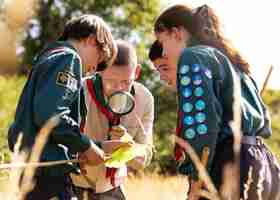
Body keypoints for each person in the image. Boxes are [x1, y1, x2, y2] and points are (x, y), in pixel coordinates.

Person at [151, 4, 280, 200]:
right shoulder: (233, 61)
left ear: (176, 33)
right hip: (263, 161)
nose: (165, 52)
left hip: (229, 165)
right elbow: (265, 123)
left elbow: (202, 126)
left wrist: (197, 180)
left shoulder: (192, 55)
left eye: (162, 41)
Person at [7, 14, 127, 200]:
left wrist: (98, 146)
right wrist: (86, 146)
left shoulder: (49, 58)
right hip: (47, 176)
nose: (93, 70)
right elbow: (50, 115)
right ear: (91, 40)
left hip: (34, 170)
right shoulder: (69, 59)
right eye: (98, 61)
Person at [71, 40, 154, 200]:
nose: (118, 89)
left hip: (111, 187)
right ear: (100, 70)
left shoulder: (144, 99)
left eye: (125, 82)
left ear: (136, 72)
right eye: (110, 81)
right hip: (73, 184)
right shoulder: (78, 91)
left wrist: (129, 146)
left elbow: (146, 154)